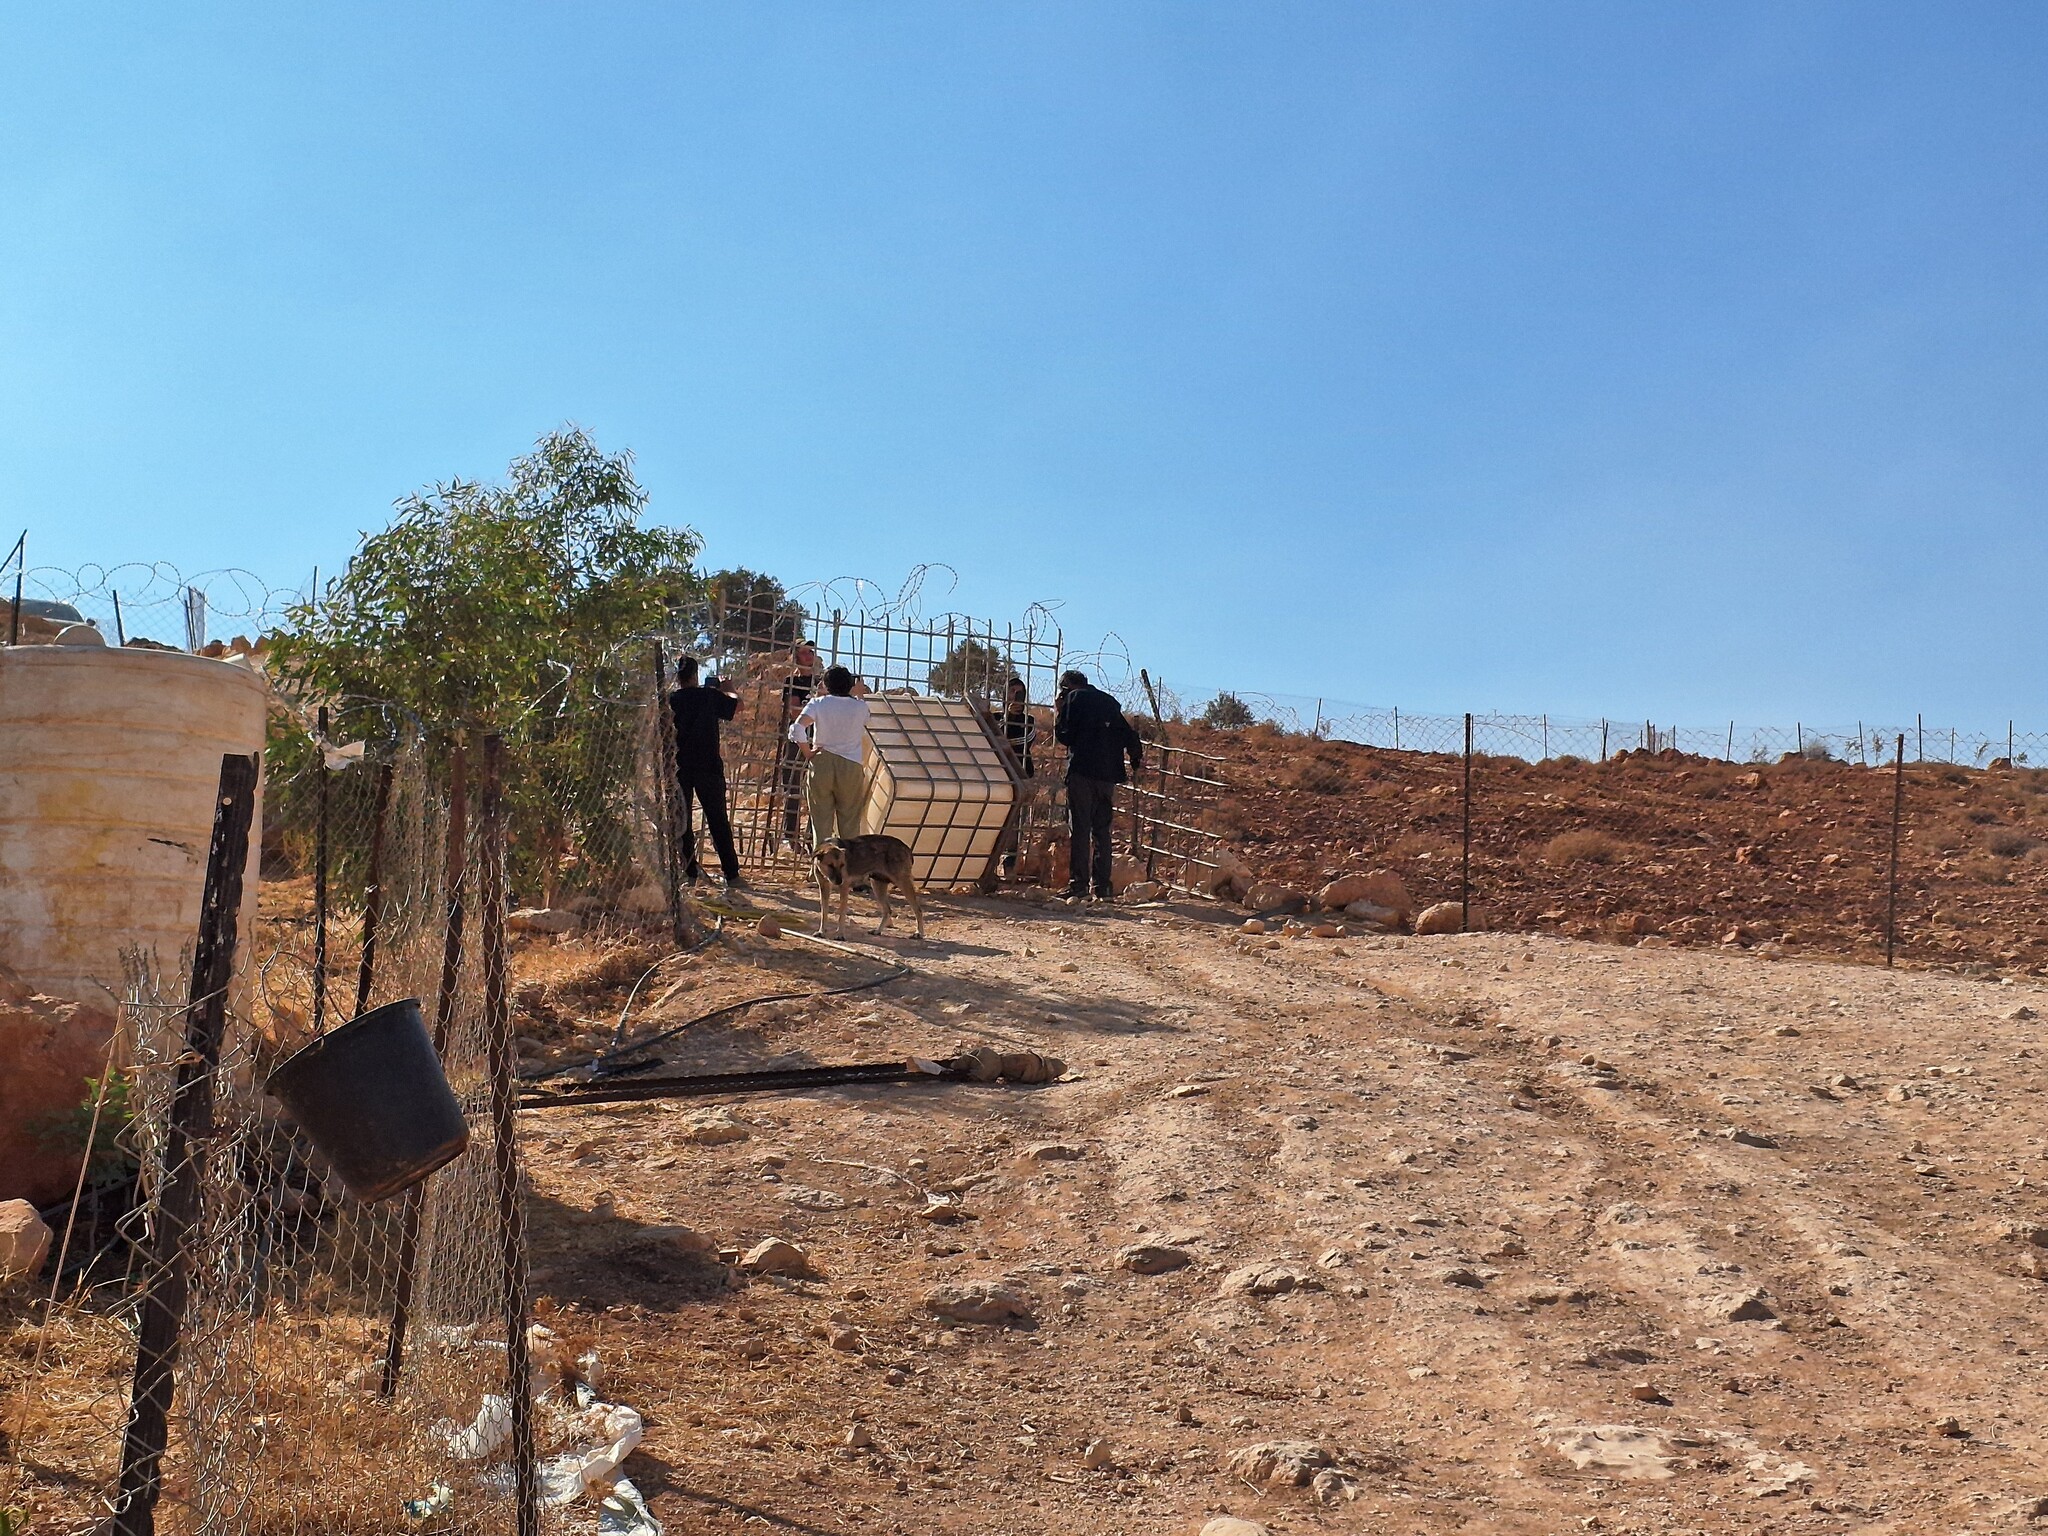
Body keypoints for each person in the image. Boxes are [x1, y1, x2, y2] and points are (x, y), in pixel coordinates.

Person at [1053, 669, 1143, 901]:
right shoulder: (1109, 702)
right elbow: (1129, 735)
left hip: (1082, 771)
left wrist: (1059, 712)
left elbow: (1065, 736)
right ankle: (1103, 887)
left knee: (1080, 829)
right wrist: (1135, 759)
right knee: (1102, 831)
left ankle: (1078, 886)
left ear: (1067, 687)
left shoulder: (1073, 699)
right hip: (1107, 775)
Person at [667, 656, 744, 892]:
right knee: (717, 819)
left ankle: (688, 871)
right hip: (708, 765)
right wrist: (728, 688)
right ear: (695, 675)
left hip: (679, 766)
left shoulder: (671, 700)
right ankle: (731, 873)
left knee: (683, 820)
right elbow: (737, 706)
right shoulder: (708, 696)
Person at [789, 664, 870, 843]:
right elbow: (866, 719)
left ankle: (821, 869)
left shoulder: (818, 704)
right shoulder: (861, 707)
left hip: (822, 762)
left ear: (825, 685)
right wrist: (859, 694)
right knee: (850, 823)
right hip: (851, 765)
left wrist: (808, 753)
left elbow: (797, 728)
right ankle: (848, 867)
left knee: (821, 824)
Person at [774, 641, 821, 852]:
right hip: (797, 739)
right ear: (796, 657)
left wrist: (808, 710)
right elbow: (794, 712)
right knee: (792, 788)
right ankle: (791, 837)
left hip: (818, 738)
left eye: (811, 652)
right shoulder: (792, 681)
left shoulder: (821, 681)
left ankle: (813, 838)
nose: (809, 656)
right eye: (804, 653)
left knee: (818, 789)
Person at [995, 676, 1037, 877]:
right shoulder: (995, 718)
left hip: (1020, 776)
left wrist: (1004, 737)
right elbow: (992, 739)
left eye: (1019, 692)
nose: (1015, 696)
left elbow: (1023, 740)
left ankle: (1009, 867)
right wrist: (1006, 718)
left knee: (1015, 825)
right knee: (994, 822)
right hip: (998, 776)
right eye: (1011, 692)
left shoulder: (1029, 721)